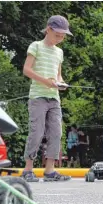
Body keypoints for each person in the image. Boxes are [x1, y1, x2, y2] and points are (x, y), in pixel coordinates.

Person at [21, 15, 73, 182]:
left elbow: (58, 76)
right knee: (36, 132)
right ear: (48, 29)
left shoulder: (59, 52)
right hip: (38, 97)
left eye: (63, 36)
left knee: (56, 133)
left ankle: (50, 170)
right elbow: (26, 70)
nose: (61, 38)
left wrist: (61, 84)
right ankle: (28, 169)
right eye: (58, 35)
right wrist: (47, 82)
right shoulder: (35, 46)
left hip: (54, 98)